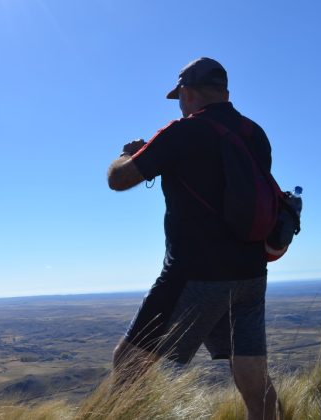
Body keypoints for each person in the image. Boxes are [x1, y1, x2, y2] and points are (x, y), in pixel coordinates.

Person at [106, 57, 282, 420]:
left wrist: (128, 153)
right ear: (225, 92)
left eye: (180, 96)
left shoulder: (181, 132)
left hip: (195, 274)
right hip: (251, 273)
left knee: (127, 365)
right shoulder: (254, 134)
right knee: (252, 375)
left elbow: (119, 180)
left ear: (186, 93)